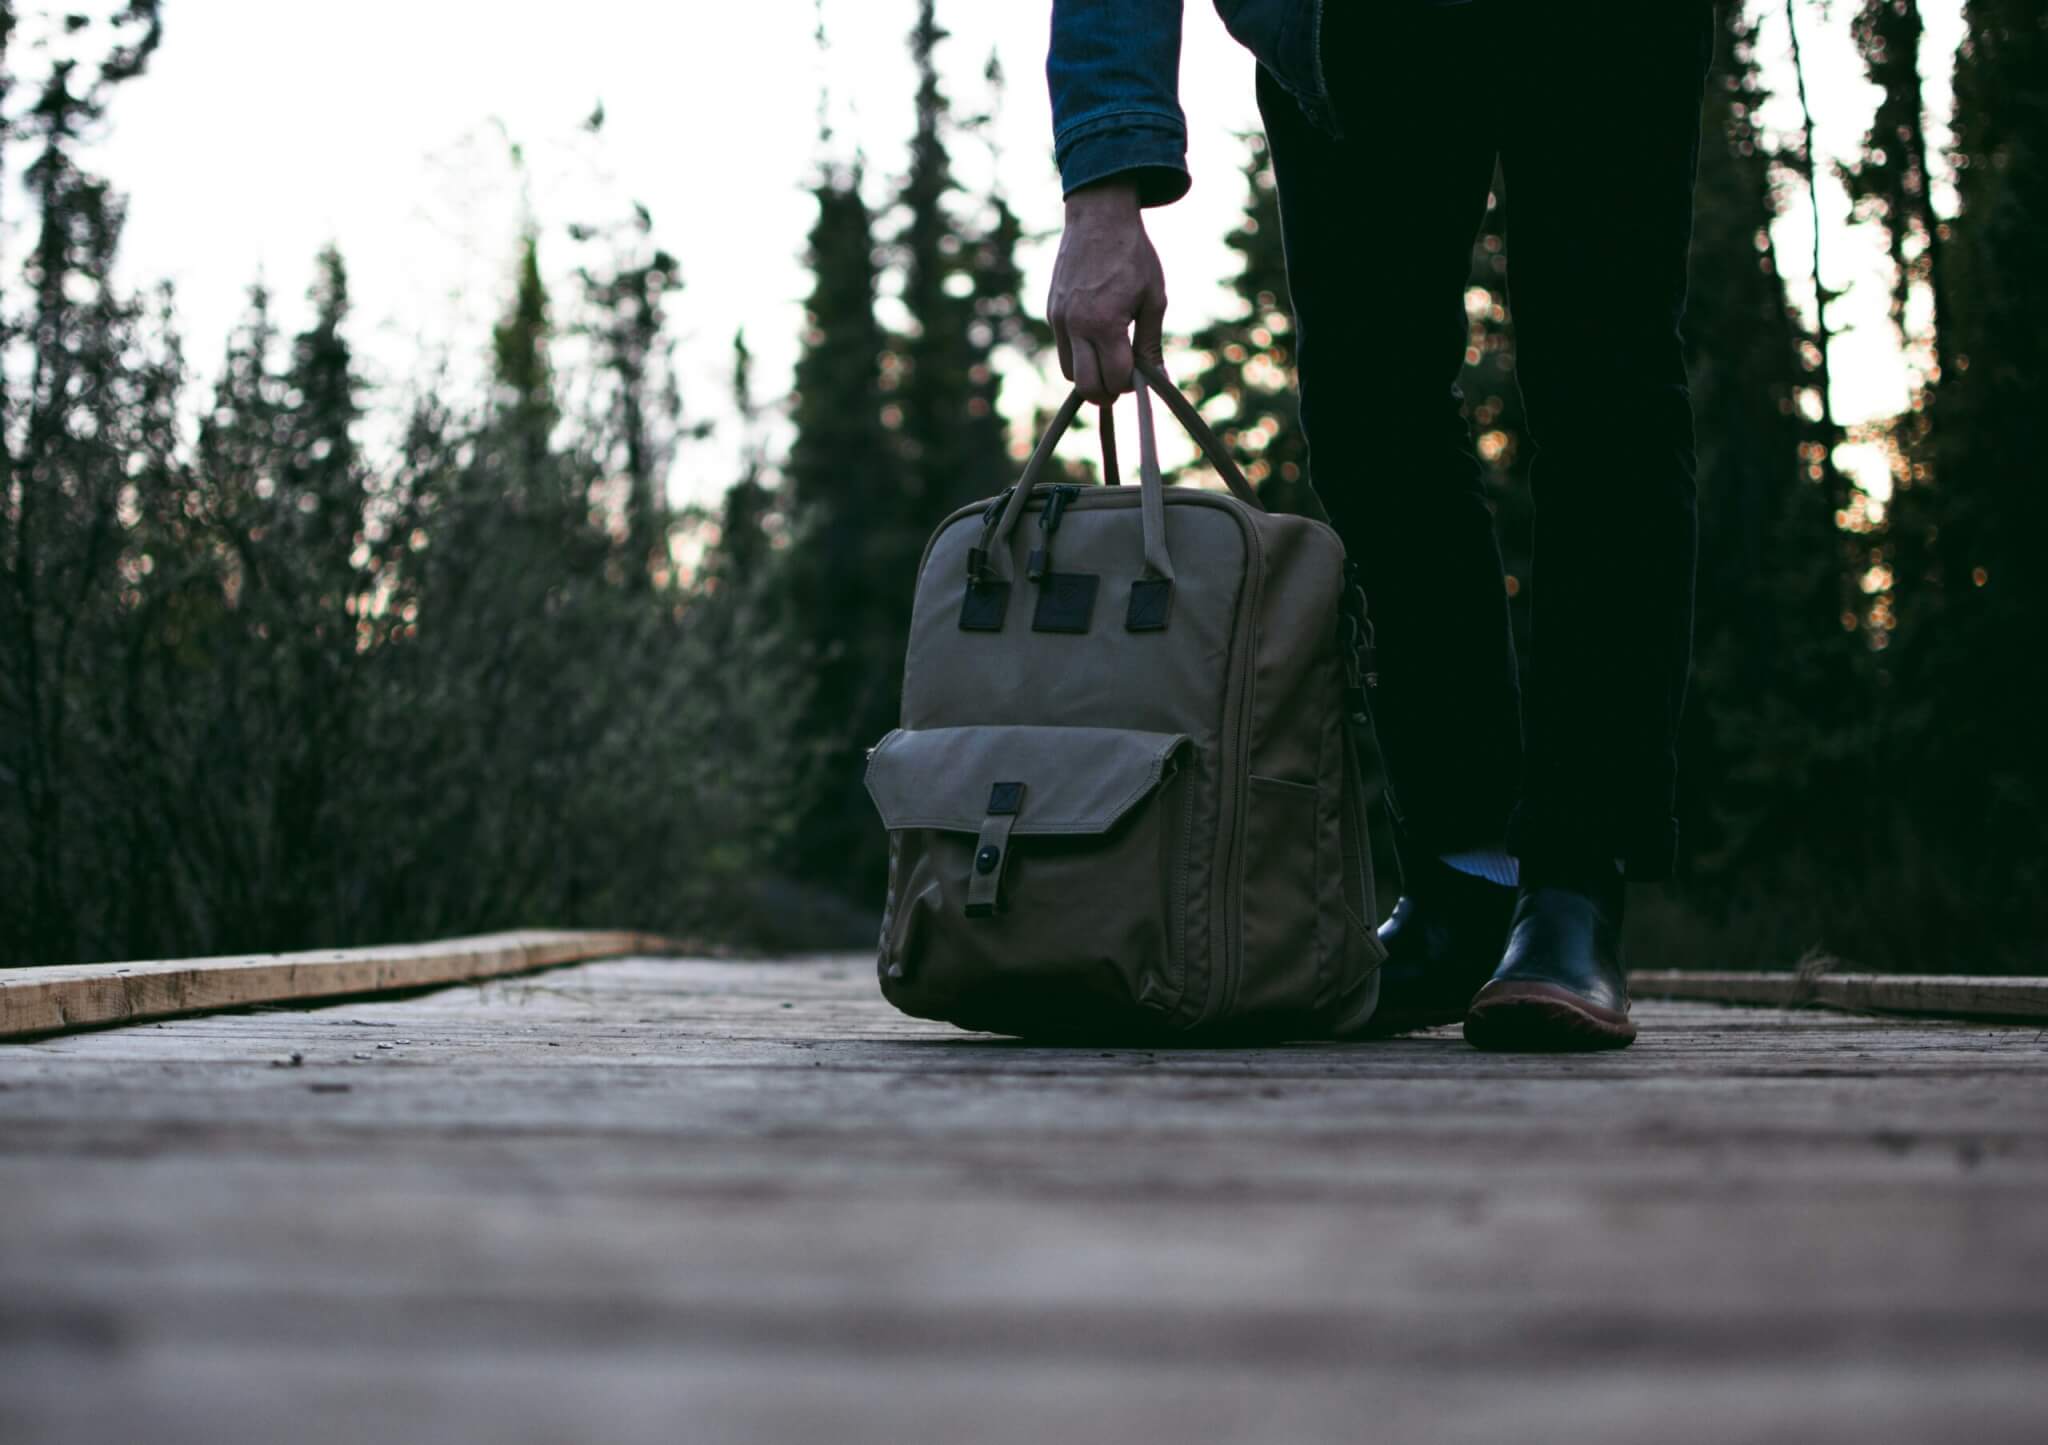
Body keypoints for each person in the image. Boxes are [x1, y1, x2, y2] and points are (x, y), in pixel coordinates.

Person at [1045, 1, 1716, 1050]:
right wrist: (1101, 189)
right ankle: (1464, 875)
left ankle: (1572, 887)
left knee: (1606, 387)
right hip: (1350, 28)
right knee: (1368, 411)